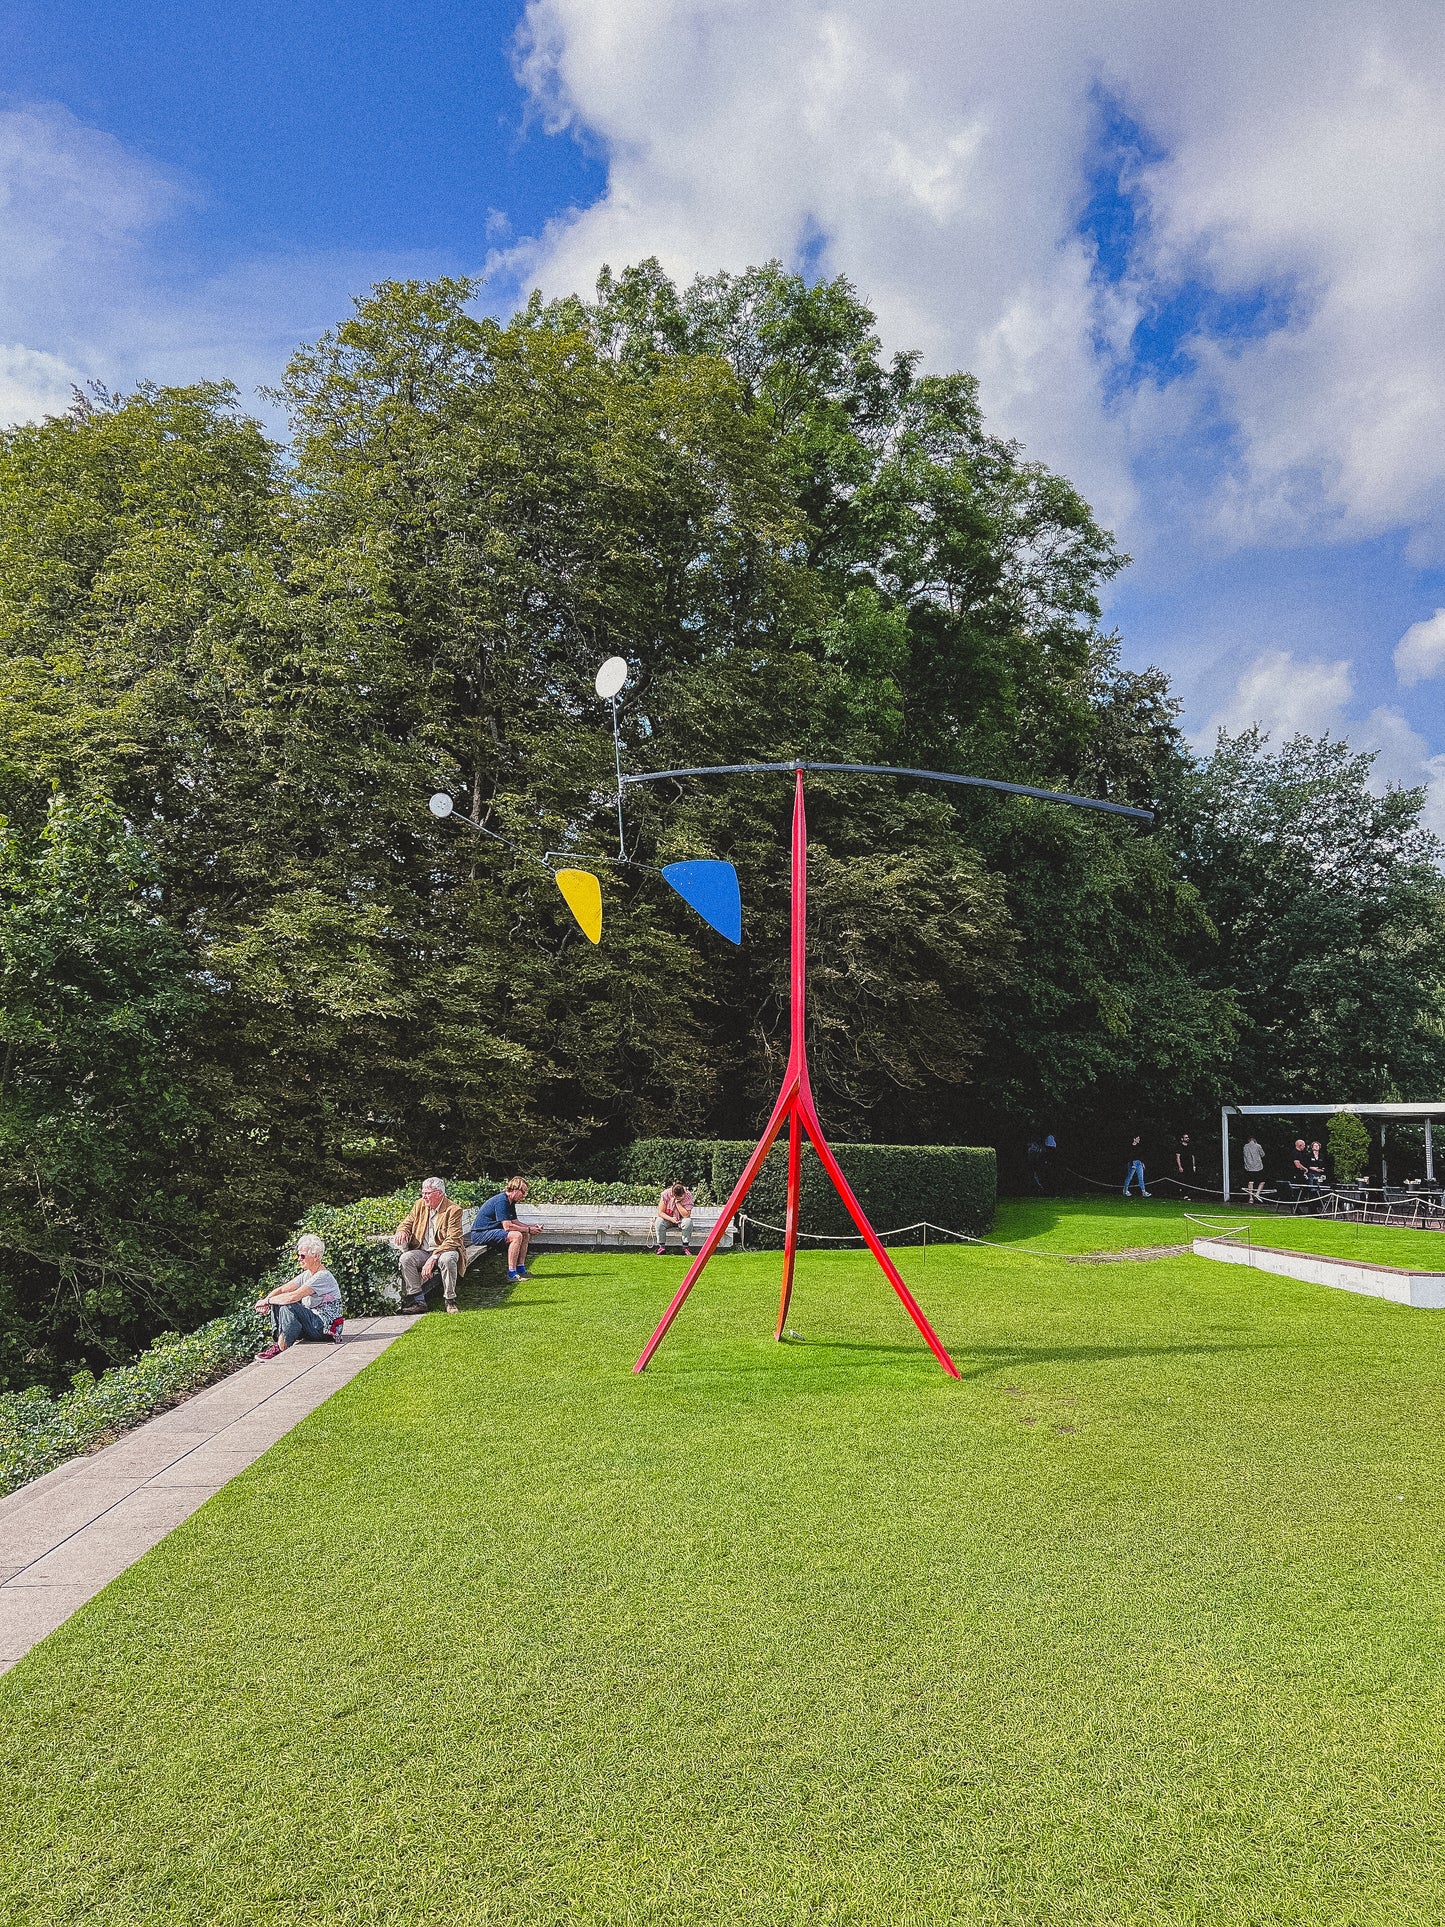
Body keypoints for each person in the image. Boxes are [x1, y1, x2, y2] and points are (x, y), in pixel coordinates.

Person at [254, 1234, 344, 1359]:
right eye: (298, 1255)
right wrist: (266, 1301)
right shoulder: (308, 1274)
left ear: (316, 1256)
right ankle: (280, 1342)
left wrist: (267, 1301)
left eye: (302, 1256)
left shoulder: (323, 1276)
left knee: (288, 1304)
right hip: (314, 1324)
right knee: (279, 1301)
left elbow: (293, 1297)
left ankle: (281, 1347)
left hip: (326, 1329)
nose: (299, 1259)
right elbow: (282, 1289)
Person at [393, 1177, 464, 1315]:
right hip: (424, 1250)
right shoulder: (419, 1205)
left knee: (447, 1259)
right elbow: (407, 1222)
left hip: (446, 1249)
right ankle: (418, 1301)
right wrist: (402, 1230)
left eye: (427, 1193)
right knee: (406, 1258)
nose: (424, 1196)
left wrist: (433, 1258)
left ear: (439, 1193)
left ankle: (450, 1300)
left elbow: (453, 1239)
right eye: (423, 1192)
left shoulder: (453, 1209)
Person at [467, 1178, 536, 1284]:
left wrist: (531, 1228)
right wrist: (528, 1229)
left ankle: (521, 1269)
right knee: (516, 1236)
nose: (524, 1195)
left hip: (490, 1231)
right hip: (480, 1234)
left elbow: (515, 1222)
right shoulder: (502, 1201)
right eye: (523, 1191)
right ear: (515, 1189)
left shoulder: (510, 1202)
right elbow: (508, 1227)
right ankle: (512, 1273)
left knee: (525, 1234)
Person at [653, 1182, 694, 1254]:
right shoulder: (665, 1194)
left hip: (681, 1219)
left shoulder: (688, 1195)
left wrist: (677, 1203)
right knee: (659, 1222)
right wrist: (671, 1219)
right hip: (668, 1218)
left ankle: (685, 1247)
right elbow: (660, 1213)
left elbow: (686, 1215)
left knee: (688, 1222)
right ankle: (661, 1247)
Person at [1123, 1132, 1150, 1198]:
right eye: (1137, 1138)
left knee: (1141, 1177)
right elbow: (1129, 1156)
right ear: (1134, 1139)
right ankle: (1125, 1190)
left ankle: (1144, 1192)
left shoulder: (1139, 1147)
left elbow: (1141, 1156)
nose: (1139, 1139)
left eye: (1139, 1138)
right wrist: (1132, 1164)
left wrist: (1142, 1163)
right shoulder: (1130, 1147)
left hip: (1139, 1163)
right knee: (1130, 1177)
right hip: (1132, 1162)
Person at [1241, 1134, 1266, 1203]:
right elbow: (1263, 1154)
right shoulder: (1258, 1146)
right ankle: (1257, 1194)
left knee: (1250, 1182)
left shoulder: (1245, 1146)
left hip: (1249, 1167)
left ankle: (1250, 1198)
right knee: (1262, 1181)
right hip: (1258, 1167)